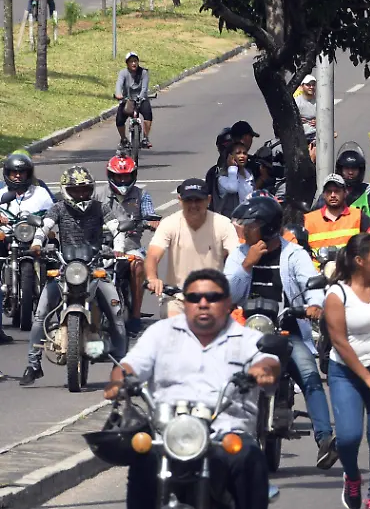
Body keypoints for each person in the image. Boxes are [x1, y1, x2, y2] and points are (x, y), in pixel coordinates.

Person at [105, 269, 280, 509]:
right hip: (169, 436)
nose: (203, 303)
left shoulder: (245, 338)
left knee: (249, 459)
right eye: (195, 298)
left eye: (213, 297)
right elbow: (129, 366)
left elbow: (268, 362)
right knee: (142, 460)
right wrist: (120, 382)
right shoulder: (160, 333)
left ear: (228, 302)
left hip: (225, 435)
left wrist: (261, 372)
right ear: (185, 302)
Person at [224, 196, 337, 469]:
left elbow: (311, 284)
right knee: (223, 375)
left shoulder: (293, 254)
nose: (244, 230)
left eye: (250, 225)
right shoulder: (240, 254)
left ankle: (325, 440)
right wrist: (246, 265)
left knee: (309, 374)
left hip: (286, 330)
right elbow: (227, 295)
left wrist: (314, 304)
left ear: (267, 227)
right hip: (246, 331)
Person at [21, 167, 128, 386]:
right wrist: (37, 244)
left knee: (116, 314)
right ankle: (33, 365)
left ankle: (124, 365)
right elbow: (44, 227)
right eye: (76, 190)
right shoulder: (58, 208)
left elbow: (117, 229)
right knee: (40, 315)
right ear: (66, 190)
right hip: (64, 268)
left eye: (85, 189)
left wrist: (118, 249)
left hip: (95, 266)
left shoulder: (100, 207)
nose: (81, 194)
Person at [324, 233, 370, 509]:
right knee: (349, 437)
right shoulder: (337, 293)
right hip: (347, 373)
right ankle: (352, 477)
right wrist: (365, 376)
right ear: (359, 260)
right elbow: (339, 341)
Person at [145, 179, 242, 303]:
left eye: (198, 200)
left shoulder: (223, 224)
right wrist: (152, 278)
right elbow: (153, 254)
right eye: (188, 200)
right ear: (180, 200)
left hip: (213, 297)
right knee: (172, 317)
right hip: (177, 297)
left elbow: (236, 257)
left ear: (208, 200)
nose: (193, 205)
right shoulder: (169, 223)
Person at [95, 152, 158, 334]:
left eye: (126, 176)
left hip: (130, 246)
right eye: (118, 176)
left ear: (133, 176)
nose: (122, 180)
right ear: (110, 176)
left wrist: (152, 222)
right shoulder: (98, 194)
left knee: (138, 266)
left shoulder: (142, 195)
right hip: (103, 246)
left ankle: (136, 316)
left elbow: (149, 214)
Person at [0, 152, 55, 344]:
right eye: (14, 172)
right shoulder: (1, 193)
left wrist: (46, 226)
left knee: (54, 255)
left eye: (21, 172)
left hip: (33, 237)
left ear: (28, 173)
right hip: (7, 237)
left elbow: (53, 211)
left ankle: (53, 302)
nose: (17, 176)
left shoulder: (40, 193)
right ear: (7, 173)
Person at [304, 174, 370, 252]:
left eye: (337, 191)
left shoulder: (357, 215)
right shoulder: (308, 219)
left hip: (349, 263)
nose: (332, 195)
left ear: (345, 193)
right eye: (329, 191)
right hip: (317, 264)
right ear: (324, 195)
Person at [114, 51, 153, 149]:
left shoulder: (143, 72)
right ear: (127, 63)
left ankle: (145, 138)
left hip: (141, 98)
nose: (133, 63)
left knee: (148, 114)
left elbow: (144, 87)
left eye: (135, 61)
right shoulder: (123, 73)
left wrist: (141, 97)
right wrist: (118, 94)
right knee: (119, 119)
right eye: (131, 61)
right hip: (127, 99)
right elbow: (119, 84)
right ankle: (123, 139)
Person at [216, 140, 255, 211]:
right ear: (230, 157)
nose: (242, 156)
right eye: (238, 153)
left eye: (244, 153)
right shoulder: (223, 178)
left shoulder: (249, 174)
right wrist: (232, 167)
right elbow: (233, 188)